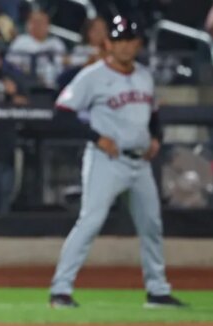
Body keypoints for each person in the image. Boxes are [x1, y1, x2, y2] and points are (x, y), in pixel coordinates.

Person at [48, 16, 186, 309]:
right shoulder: (93, 75)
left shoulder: (144, 76)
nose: (125, 45)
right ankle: (61, 290)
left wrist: (156, 138)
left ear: (137, 44)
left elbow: (154, 117)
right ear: (108, 43)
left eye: (130, 40)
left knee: (151, 225)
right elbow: (62, 112)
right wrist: (96, 137)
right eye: (119, 39)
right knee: (90, 222)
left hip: (140, 163)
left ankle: (157, 291)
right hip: (105, 160)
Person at [7, 9, 66, 88]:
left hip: (54, 85)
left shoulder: (56, 43)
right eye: (36, 22)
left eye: (43, 23)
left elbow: (65, 63)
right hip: (27, 84)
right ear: (29, 24)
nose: (40, 26)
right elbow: (11, 65)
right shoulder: (21, 41)